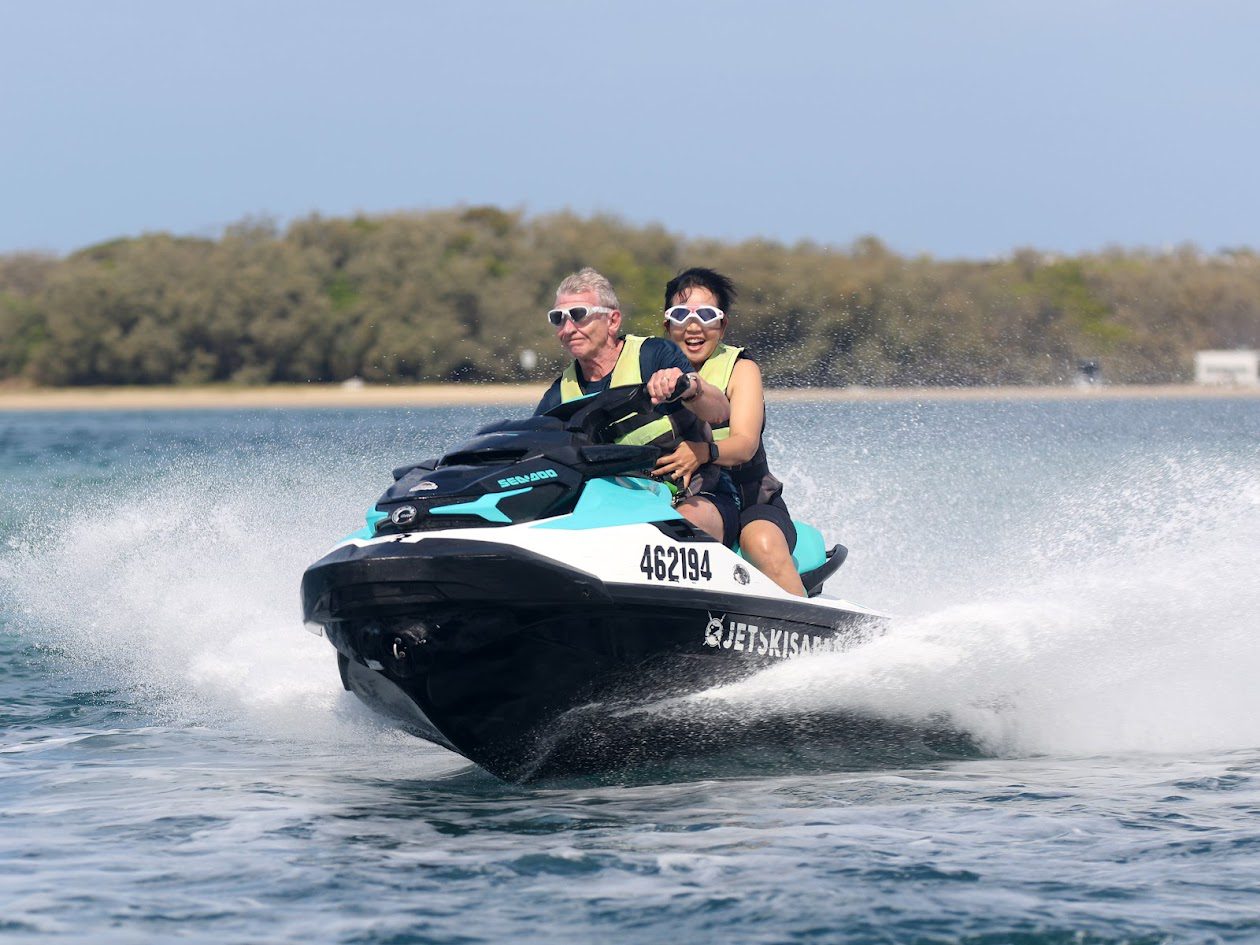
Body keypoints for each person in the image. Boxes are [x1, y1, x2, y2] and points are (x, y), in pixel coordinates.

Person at [535, 267, 739, 545]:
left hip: (700, 495)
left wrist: (690, 387)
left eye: (579, 315)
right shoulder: (559, 395)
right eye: (558, 319)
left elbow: (719, 411)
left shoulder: (654, 355)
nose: (568, 329)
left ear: (613, 320)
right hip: (622, 506)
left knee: (678, 527)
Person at [651, 267, 807, 596]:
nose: (693, 326)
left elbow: (746, 445)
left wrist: (703, 452)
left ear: (722, 325)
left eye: (706, 315)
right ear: (667, 325)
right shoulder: (652, 371)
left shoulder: (741, 369)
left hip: (750, 500)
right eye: (681, 315)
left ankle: (818, 636)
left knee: (760, 543)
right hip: (686, 496)